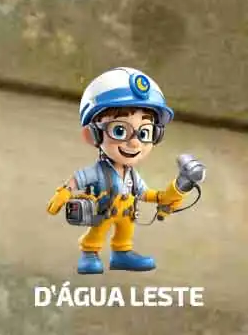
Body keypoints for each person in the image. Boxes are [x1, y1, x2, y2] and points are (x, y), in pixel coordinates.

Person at [46, 67, 186, 274]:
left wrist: (163, 196)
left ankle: (122, 253)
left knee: (125, 231)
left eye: (145, 133)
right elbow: (79, 178)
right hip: (104, 211)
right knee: (97, 232)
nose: (135, 143)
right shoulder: (99, 171)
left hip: (127, 213)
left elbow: (142, 192)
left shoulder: (132, 174)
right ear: (93, 134)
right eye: (120, 130)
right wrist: (65, 192)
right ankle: (90, 253)